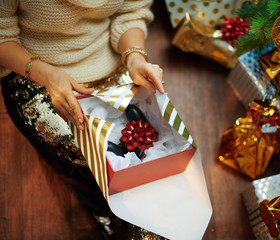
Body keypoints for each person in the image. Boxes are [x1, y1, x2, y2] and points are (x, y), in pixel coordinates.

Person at [0, 0, 165, 239]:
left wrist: (134, 57)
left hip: (111, 64)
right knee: (99, 165)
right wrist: (48, 75)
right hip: (36, 74)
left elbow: (131, 11)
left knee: (148, 161)